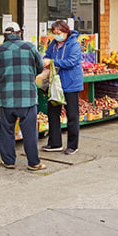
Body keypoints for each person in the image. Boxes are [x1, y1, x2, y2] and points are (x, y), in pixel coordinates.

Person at [0, 22, 46, 171]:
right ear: (19, 33)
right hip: (27, 97)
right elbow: (40, 66)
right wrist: (29, 75)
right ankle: (34, 163)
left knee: (7, 130)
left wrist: (4, 79)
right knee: (30, 132)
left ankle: (8, 161)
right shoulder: (29, 47)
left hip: (7, 98)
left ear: (4, 35)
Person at [43, 20, 84, 155]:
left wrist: (53, 62)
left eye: (59, 33)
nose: (56, 36)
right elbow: (47, 55)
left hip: (71, 83)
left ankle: (73, 145)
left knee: (72, 115)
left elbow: (72, 62)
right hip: (55, 83)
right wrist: (45, 60)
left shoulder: (74, 44)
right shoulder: (53, 44)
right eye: (54, 33)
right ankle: (55, 143)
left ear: (66, 32)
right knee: (53, 113)